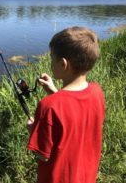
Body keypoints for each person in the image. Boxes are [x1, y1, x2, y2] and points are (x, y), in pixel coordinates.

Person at [27, 26, 105, 183]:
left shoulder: (48, 106)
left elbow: (42, 155)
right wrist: (54, 91)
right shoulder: (97, 92)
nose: (50, 62)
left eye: (51, 58)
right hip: (85, 176)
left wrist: (32, 129)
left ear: (63, 64)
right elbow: (73, 108)